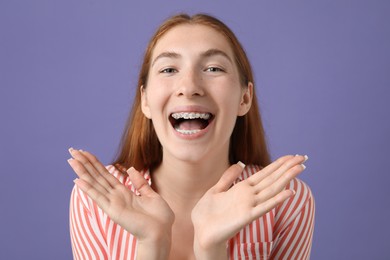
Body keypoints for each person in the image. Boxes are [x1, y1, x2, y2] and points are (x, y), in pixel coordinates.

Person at [67, 13, 315, 260]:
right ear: (145, 100)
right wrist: (151, 244)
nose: (189, 87)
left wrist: (212, 249)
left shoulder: (286, 199)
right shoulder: (97, 197)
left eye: (213, 68)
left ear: (244, 98)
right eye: (168, 69)